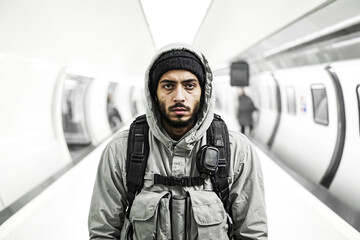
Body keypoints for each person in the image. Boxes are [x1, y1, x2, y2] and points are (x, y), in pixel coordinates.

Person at [88, 43, 268, 239]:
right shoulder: (121, 150)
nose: (179, 97)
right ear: (153, 94)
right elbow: (103, 233)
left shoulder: (237, 151)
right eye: (168, 86)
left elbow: (252, 233)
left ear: (204, 92)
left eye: (189, 85)